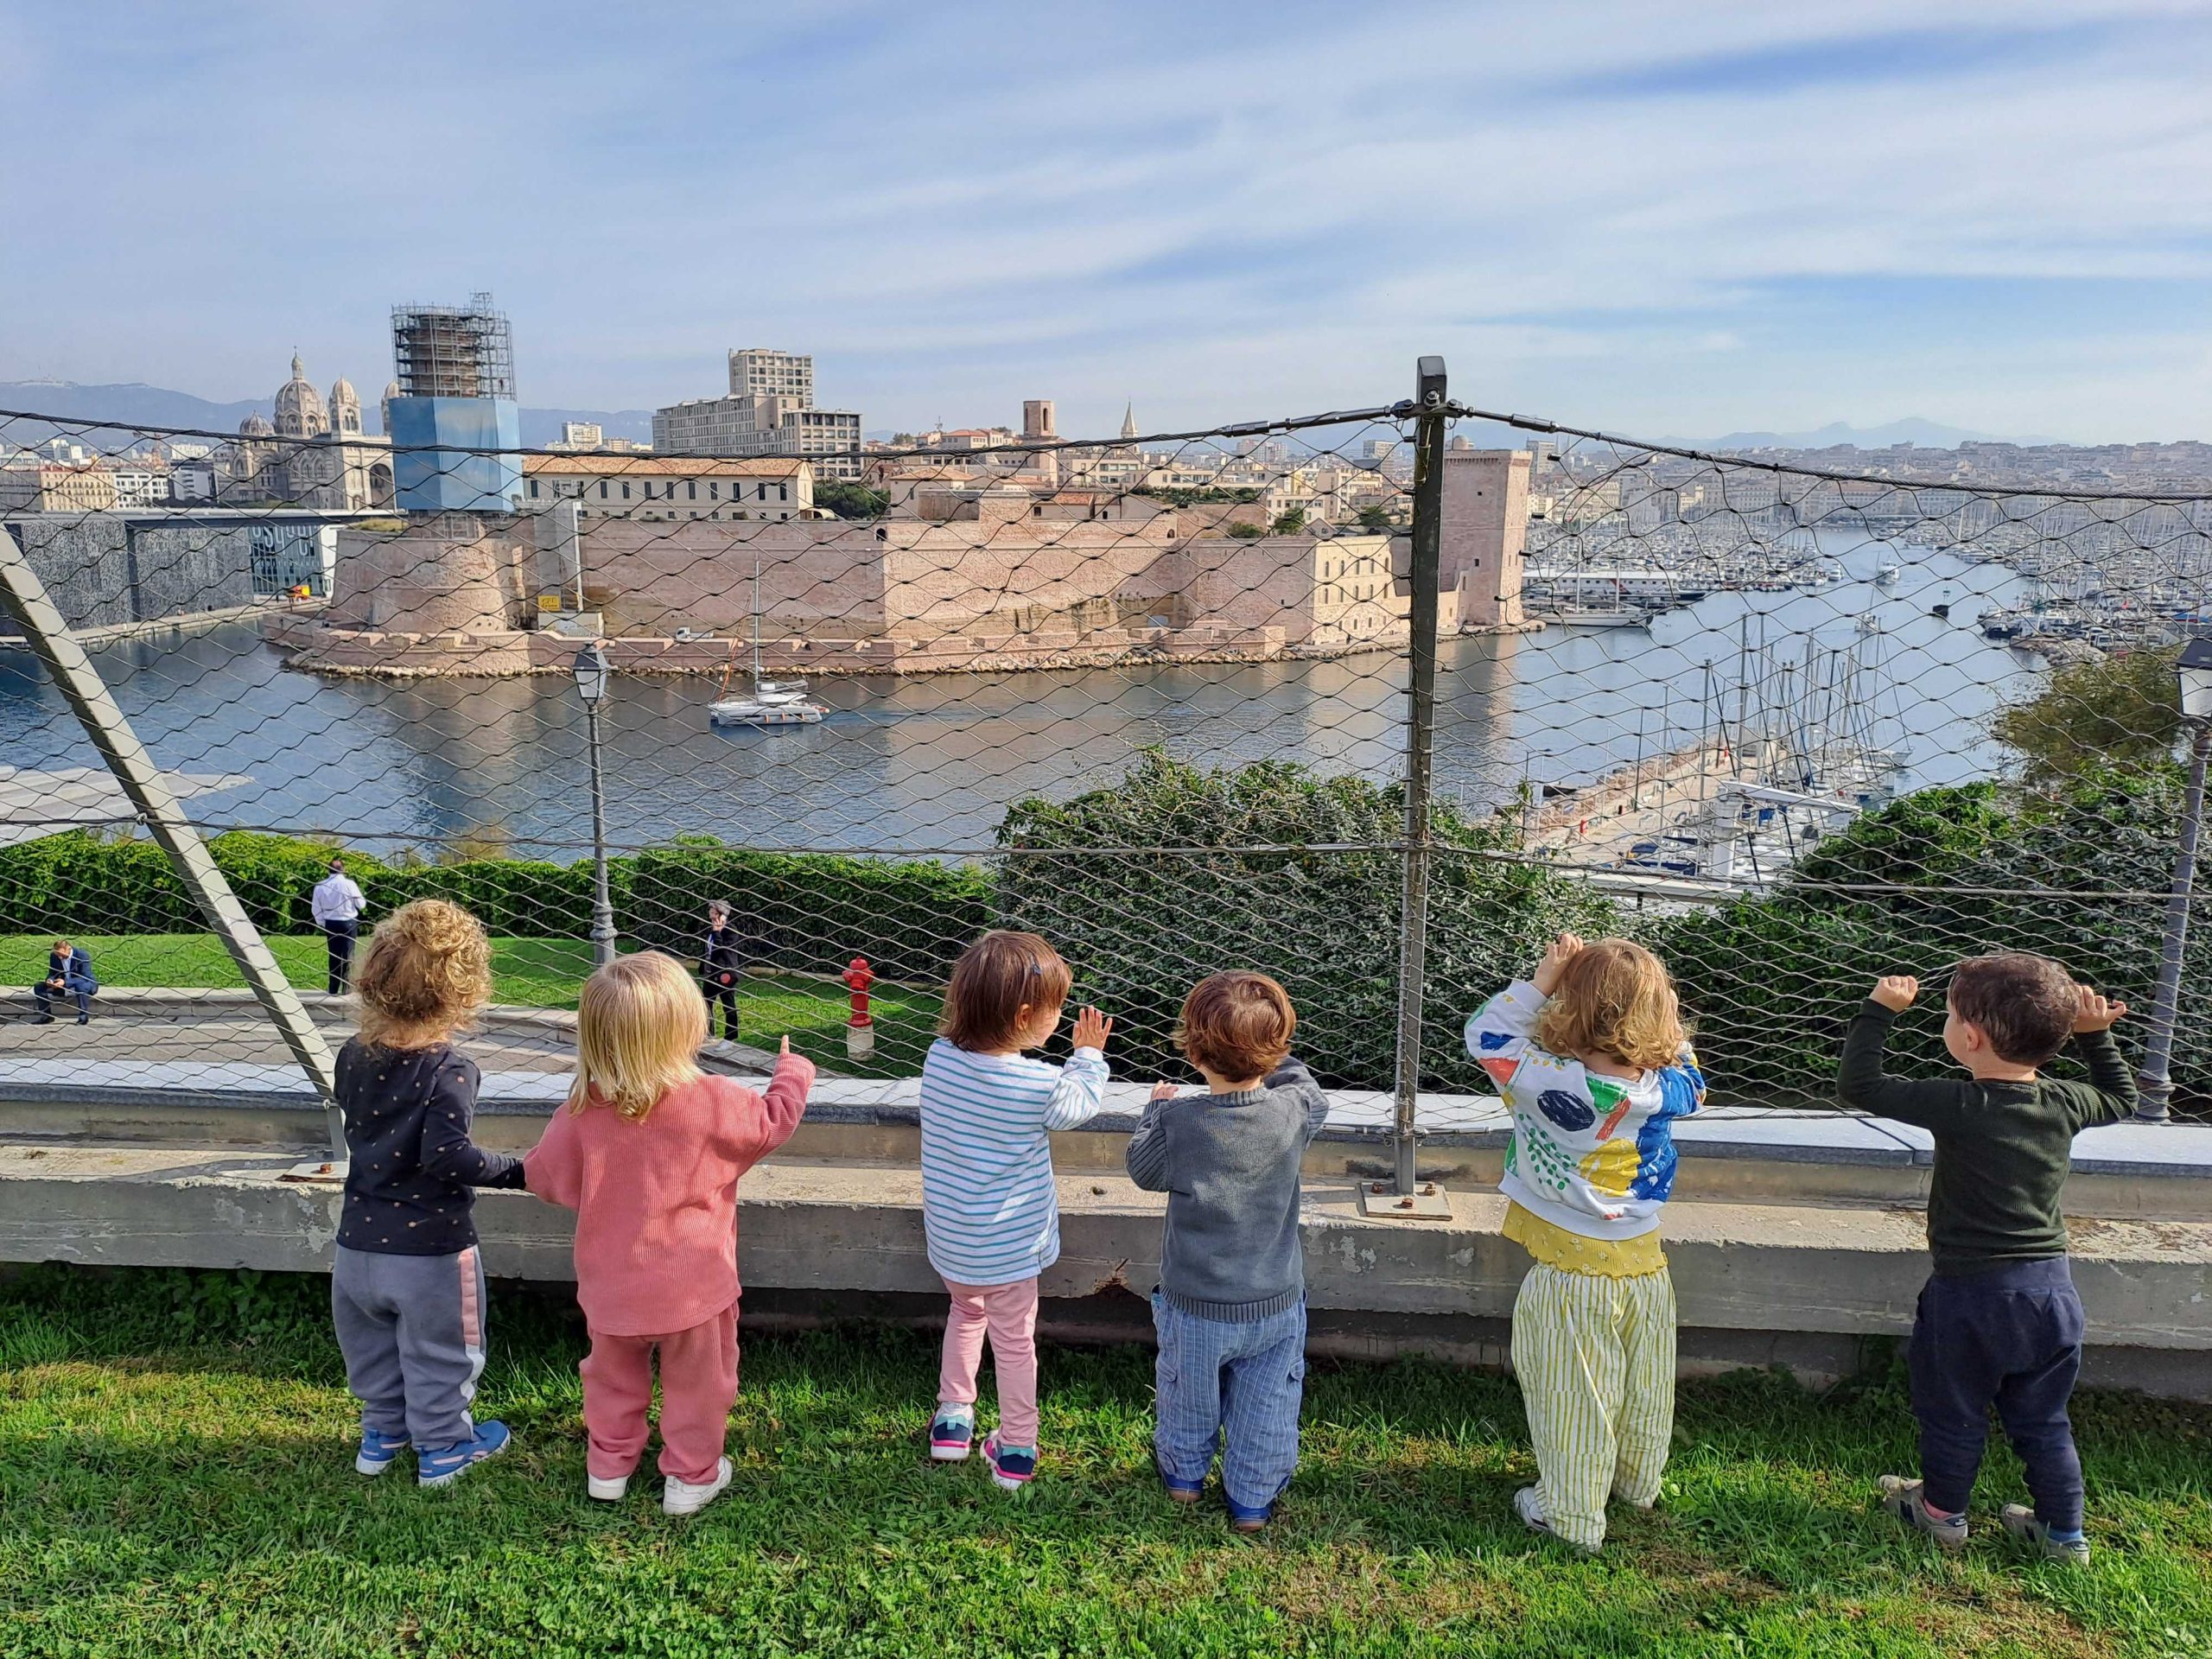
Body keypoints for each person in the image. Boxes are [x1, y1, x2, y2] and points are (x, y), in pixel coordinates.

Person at [1840, 956, 2136, 1566]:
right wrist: (2095, 1034)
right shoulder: (2064, 1103)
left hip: (1969, 1297)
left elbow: (1859, 1086)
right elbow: (2122, 1097)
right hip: (2051, 1296)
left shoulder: (1959, 1105)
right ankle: (2063, 1534)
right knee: (2045, 1420)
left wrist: (1880, 1010)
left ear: (1969, 1038)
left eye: (1949, 1016)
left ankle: (1942, 1515)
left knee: (1954, 1411)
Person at [525, 950, 814, 1516]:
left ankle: (607, 1467)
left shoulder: (581, 1110)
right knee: (699, 1387)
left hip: (611, 1290)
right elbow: (773, 1122)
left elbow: (545, 1178)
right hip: (694, 1290)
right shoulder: (713, 1100)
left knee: (610, 1380)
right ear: (688, 1027)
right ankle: (690, 1478)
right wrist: (793, 1073)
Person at [1465, 933, 1705, 1553]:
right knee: (1643, 1388)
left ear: (1569, 1010)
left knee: (1572, 1398)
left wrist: (1545, 979)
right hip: (1646, 1267)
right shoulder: (1669, 1091)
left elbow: (1486, 1036)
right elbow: (1690, 1069)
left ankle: (1569, 1516)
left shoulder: (1543, 1080)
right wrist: (1658, 1014)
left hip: (1571, 1278)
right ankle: (1635, 1483)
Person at [330, 899, 526, 1488]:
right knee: (441, 1352)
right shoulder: (450, 1069)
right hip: (430, 1251)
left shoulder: (351, 1056)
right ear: (464, 991)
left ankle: (382, 1434)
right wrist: (520, 1170)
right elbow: (448, 1157)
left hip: (357, 1246)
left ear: (374, 978)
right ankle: (444, 1448)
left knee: (373, 1350)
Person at [1125, 971, 1328, 1532]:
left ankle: (1185, 1479)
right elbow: (1311, 1092)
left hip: (1194, 1305)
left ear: (1192, 1050)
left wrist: (1151, 1111)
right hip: (1274, 1305)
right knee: (1267, 1406)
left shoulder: (1177, 1121)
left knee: (1187, 1394)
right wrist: (1277, 1055)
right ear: (1278, 1047)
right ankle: (1252, 1502)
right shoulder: (1293, 1113)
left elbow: (1143, 1170)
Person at [920, 931, 1113, 1491]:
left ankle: (953, 1420)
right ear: (1028, 1015)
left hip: (954, 1241)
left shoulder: (939, 1060)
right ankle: (1017, 1448)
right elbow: (1077, 1106)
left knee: (965, 1313)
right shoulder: (1036, 1083)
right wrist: (1088, 1056)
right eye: (1054, 1009)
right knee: (1014, 1342)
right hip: (1010, 1249)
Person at [312, 856, 367, 995]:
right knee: (348, 954)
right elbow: (361, 904)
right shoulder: (349, 884)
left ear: (328, 870)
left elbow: (316, 908)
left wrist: (323, 923)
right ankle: (347, 988)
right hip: (348, 922)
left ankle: (333, 988)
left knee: (333, 955)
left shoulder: (320, 886)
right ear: (343, 870)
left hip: (331, 922)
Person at [701, 899, 743, 1042]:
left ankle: (730, 1038)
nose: (712, 917)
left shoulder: (731, 931)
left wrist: (717, 932)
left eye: (715, 914)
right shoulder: (712, 929)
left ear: (724, 915)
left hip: (725, 974)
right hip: (710, 974)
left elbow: (722, 949)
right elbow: (709, 949)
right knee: (705, 1004)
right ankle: (708, 1033)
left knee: (728, 1005)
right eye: (710, 913)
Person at [33, 939, 99, 1026]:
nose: (59, 957)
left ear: (69, 948)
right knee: (39, 987)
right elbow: (53, 972)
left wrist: (65, 982)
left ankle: (83, 1015)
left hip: (83, 983)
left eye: (61, 954)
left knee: (81, 986)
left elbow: (85, 977)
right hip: (63, 986)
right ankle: (47, 1016)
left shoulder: (82, 955)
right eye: (57, 954)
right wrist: (50, 980)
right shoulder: (54, 956)